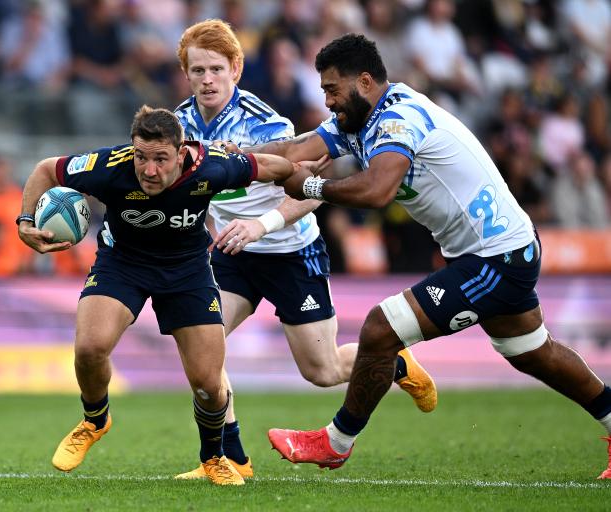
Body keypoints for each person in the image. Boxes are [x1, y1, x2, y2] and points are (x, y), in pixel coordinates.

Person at [229, 33, 611, 479]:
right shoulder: (357, 121)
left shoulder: (398, 118)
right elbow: (295, 150)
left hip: (495, 257)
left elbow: (377, 190)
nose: (328, 100)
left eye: (333, 89)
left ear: (365, 82)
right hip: (494, 251)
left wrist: (310, 187)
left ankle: (335, 443)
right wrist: (233, 161)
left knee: (379, 328)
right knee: (533, 353)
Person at [172, 20, 437, 480]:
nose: (207, 79)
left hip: (291, 253)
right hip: (232, 255)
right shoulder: (178, 126)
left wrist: (262, 224)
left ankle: (395, 362)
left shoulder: (267, 123)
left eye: (216, 68)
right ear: (186, 73)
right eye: (198, 70)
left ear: (236, 68)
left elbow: (314, 191)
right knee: (201, 349)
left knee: (322, 369)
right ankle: (229, 457)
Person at [16, 105, 299, 486]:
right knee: (89, 348)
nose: (149, 170)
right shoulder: (107, 165)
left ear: (181, 154)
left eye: (161, 159)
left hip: (188, 272)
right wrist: (25, 222)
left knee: (209, 384)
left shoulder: (214, 166)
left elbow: (280, 169)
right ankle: (95, 419)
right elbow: (45, 170)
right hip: (122, 265)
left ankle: (213, 456)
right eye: (142, 157)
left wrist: (285, 198)